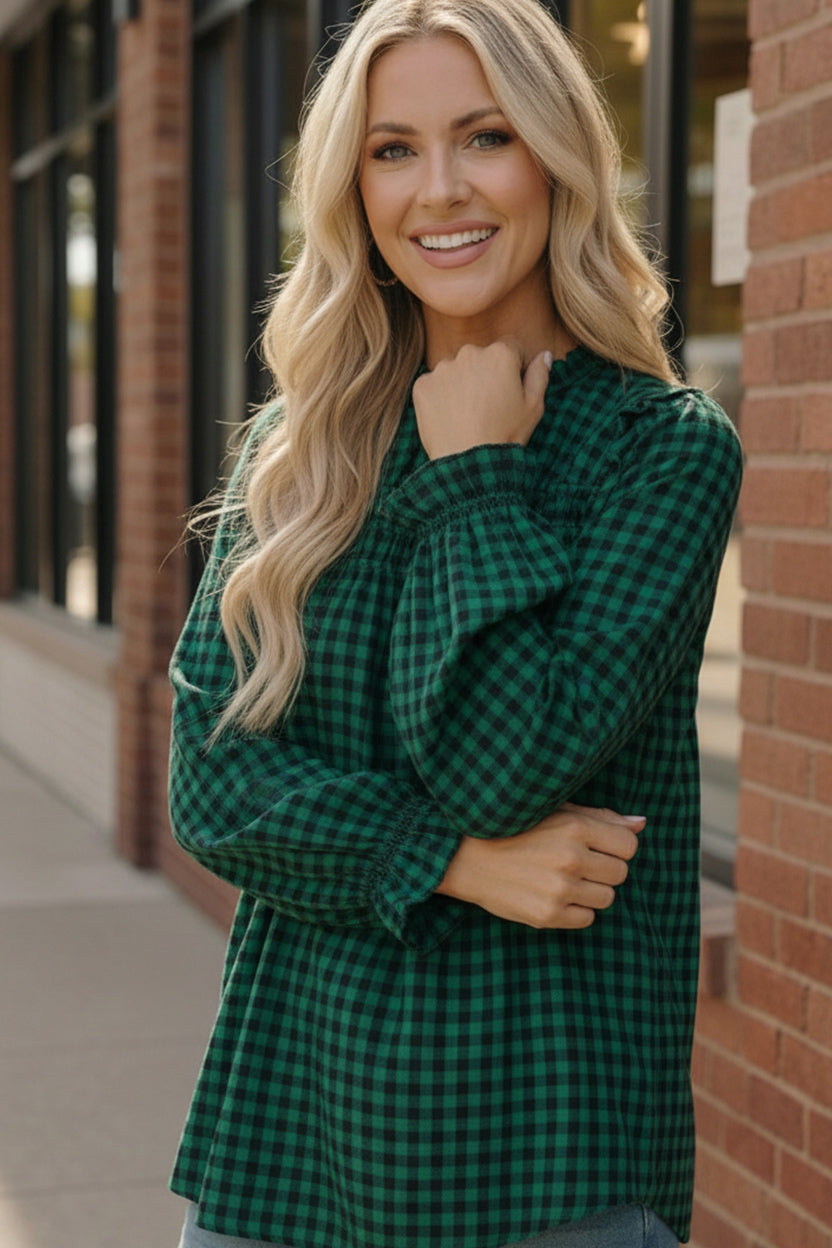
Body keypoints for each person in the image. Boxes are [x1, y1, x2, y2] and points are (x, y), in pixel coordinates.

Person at [168, 1, 742, 1245]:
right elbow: (213, 786)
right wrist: (457, 864)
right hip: (287, 1150)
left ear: (553, 159)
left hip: (543, 1159)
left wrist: (476, 469)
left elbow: (505, 763)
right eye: (391, 149)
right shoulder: (299, 449)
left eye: (483, 137)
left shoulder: (660, 453)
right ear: (352, 188)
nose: (438, 191)